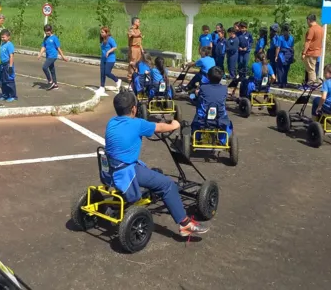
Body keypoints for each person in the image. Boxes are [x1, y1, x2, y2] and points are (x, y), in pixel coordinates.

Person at [104, 91, 210, 237]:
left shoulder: (111, 122)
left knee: (152, 172)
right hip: (128, 171)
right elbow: (160, 127)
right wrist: (174, 124)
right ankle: (185, 224)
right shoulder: (137, 124)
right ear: (134, 109)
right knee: (168, 185)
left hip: (111, 169)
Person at [191, 66, 233, 145]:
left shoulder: (203, 87)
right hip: (220, 119)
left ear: (208, 77)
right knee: (228, 124)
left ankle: (196, 136)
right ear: (220, 78)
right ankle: (222, 140)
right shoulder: (224, 89)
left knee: (196, 121)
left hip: (203, 120)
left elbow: (198, 96)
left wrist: (197, 93)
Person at [38, 24, 69, 90]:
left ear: (51, 30)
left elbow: (58, 48)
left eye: (48, 31)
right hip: (48, 56)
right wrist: (40, 54)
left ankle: (50, 81)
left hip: (53, 56)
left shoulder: (54, 38)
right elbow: (44, 47)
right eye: (46, 31)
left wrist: (63, 57)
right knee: (52, 70)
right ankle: (55, 84)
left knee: (44, 67)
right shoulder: (45, 38)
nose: (47, 32)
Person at [98, 26, 121, 96]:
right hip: (103, 59)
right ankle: (102, 87)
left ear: (106, 32)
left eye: (102, 32)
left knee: (107, 73)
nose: (101, 33)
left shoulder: (110, 39)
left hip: (110, 59)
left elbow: (115, 46)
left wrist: (108, 52)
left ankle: (117, 80)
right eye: (101, 32)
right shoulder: (102, 39)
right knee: (102, 73)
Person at [302, 14, 324, 86]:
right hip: (317, 51)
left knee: (311, 70)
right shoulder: (320, 28)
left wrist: (304, 52)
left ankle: (311, 83)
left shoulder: (312, 29)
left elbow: (308, 42)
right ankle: (312, 82)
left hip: (311, 52)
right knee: (313, 68)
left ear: (309, 20)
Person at [275, 23, 295, 88]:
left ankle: (281, 83)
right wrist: (292, 56)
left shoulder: (280, 38)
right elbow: (292, 48)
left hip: (282, 54)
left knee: (280, 69)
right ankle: (285, 82)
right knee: (286, 70)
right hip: (289, 54)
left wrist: (276, 56)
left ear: (283, 30)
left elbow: (278, 47)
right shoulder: (291, 38)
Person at [0, 29, 17, 102]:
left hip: (8, 64)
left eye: (4, 37)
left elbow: (11, 56)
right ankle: (5, 94)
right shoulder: (2, 44)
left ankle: (13, 95)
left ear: (8, 37)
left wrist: (10, 66)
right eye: (2, 37)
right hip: (2, 64)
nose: (2, 39)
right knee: (2, 81)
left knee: (9, 80)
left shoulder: (9, 45)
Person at [127, 17, 144, 82]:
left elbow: (139, 41)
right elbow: (133, 35)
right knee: (132, 62)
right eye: (138, 22)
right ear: (134, 22)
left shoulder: (138, 30)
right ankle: (130, 77)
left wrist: (142, 49)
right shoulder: (131, 29)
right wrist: (138, 35)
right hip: (133, 48)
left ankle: (136, 76)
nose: (139, 23)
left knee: (138, 63)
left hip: (138, 48)